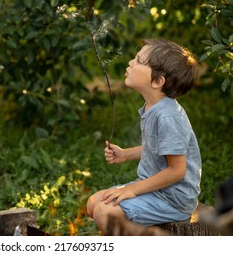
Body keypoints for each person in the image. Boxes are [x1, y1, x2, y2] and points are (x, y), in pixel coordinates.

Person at [86, 38, 202, 233]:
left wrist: (131, 189)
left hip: (172, 199)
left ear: (157, 81)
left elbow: (177, 171)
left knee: (104, 212)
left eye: (139, 60)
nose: (131, 62)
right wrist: (126, 154)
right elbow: (157, 147)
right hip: (156, 190)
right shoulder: (154, 108)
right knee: (92, 203)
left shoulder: (168, 116)